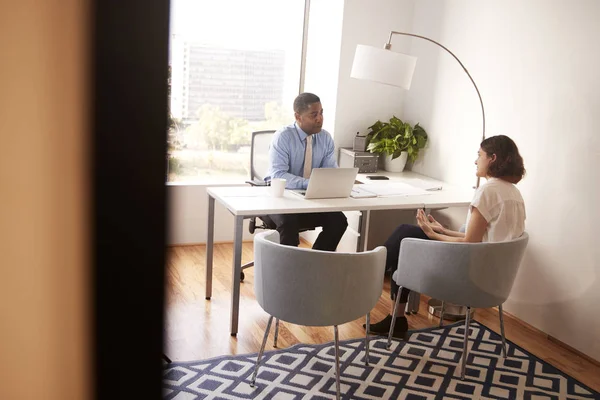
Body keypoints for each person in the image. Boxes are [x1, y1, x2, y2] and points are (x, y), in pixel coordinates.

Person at [367, 135, 526, 338]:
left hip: (470, 276)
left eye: (479, 155)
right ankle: (381, 292)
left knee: (405, 241)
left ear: (492, 158)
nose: (476, 160)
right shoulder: (514, 194)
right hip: (494, 278)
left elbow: (470, 243)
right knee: (407, 233)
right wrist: (440, 230)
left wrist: (433, 234)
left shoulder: (488, 192)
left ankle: (369, 275)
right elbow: (479, 239)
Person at [265, 92, 348, 251]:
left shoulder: (325, 138)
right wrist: (310, 183)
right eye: (314, 114)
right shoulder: (283, 137)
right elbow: (278, 175)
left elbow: (330, 172)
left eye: (321, 113)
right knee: (288, 224)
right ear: (298, 116)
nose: (320, 118)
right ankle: (288, 273)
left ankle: (314, 263)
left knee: (338, 221)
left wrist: (337, 182)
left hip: (310, 199)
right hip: (281, 199)